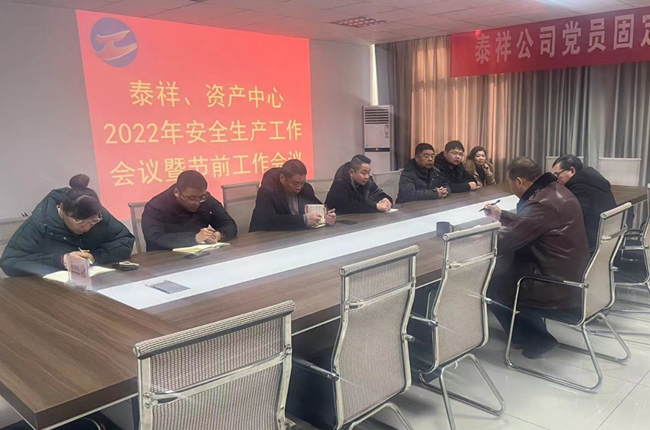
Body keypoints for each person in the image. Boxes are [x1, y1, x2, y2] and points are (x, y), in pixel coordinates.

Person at [483, 157, 589, 359]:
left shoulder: (541, 202)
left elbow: (507, 241)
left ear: (519, 181)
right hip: (569, 272)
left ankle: (538, 338)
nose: (510, 186)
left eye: (509, 182)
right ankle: (526, 333)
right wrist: (502, 215)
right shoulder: (554, 191)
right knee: (505, 274)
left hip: (554, 282)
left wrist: (471, 240)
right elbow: (531, 224)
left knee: (491, 286)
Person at [0, 174, 134, 277]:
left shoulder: (99, 215)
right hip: (53, 292)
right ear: (62, 209)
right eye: (79, 222)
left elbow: (125, 240)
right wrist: (61, 260)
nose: (87, 227)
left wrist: (95, 256)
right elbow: (9, 262)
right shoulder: (41, 222)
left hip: (98, 282)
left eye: (93, 221)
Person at [142, 170, 237, 251]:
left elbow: (229, 224)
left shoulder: (205, 200)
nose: (197, 202)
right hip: (166, 258)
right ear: (176, 192)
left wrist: (218, 235)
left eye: (201, 197)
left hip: (200, 255)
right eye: (192, 198)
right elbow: (154, 239)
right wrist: (194, 238)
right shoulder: (156, 206)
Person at [249, 159, 336, 232]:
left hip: (296, 237)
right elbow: (265, 221)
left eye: (302, 183)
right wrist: (303, 220)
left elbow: (319, 207)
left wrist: (328, 216)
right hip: (267, 239)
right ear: (282, 178)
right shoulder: (267, 191)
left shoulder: (306, 188)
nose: (299, 187)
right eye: (294, 183)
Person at [552, 155, 616, 249]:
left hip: (591, 242)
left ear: (572, 170)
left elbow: (574, 217)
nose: (556, 180)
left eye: (558, 175)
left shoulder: (580, 188)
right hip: (606, 236)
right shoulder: (592, 179)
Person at [325, 154, 393, 214]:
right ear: (352, 172)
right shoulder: (340, 183)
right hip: (339, 222)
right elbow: (348, 207)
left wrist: (386, 200)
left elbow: (379, 194)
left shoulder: (367, 182)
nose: (367, 176)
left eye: (368, 172)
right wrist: (376, 206)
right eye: (363, 173)